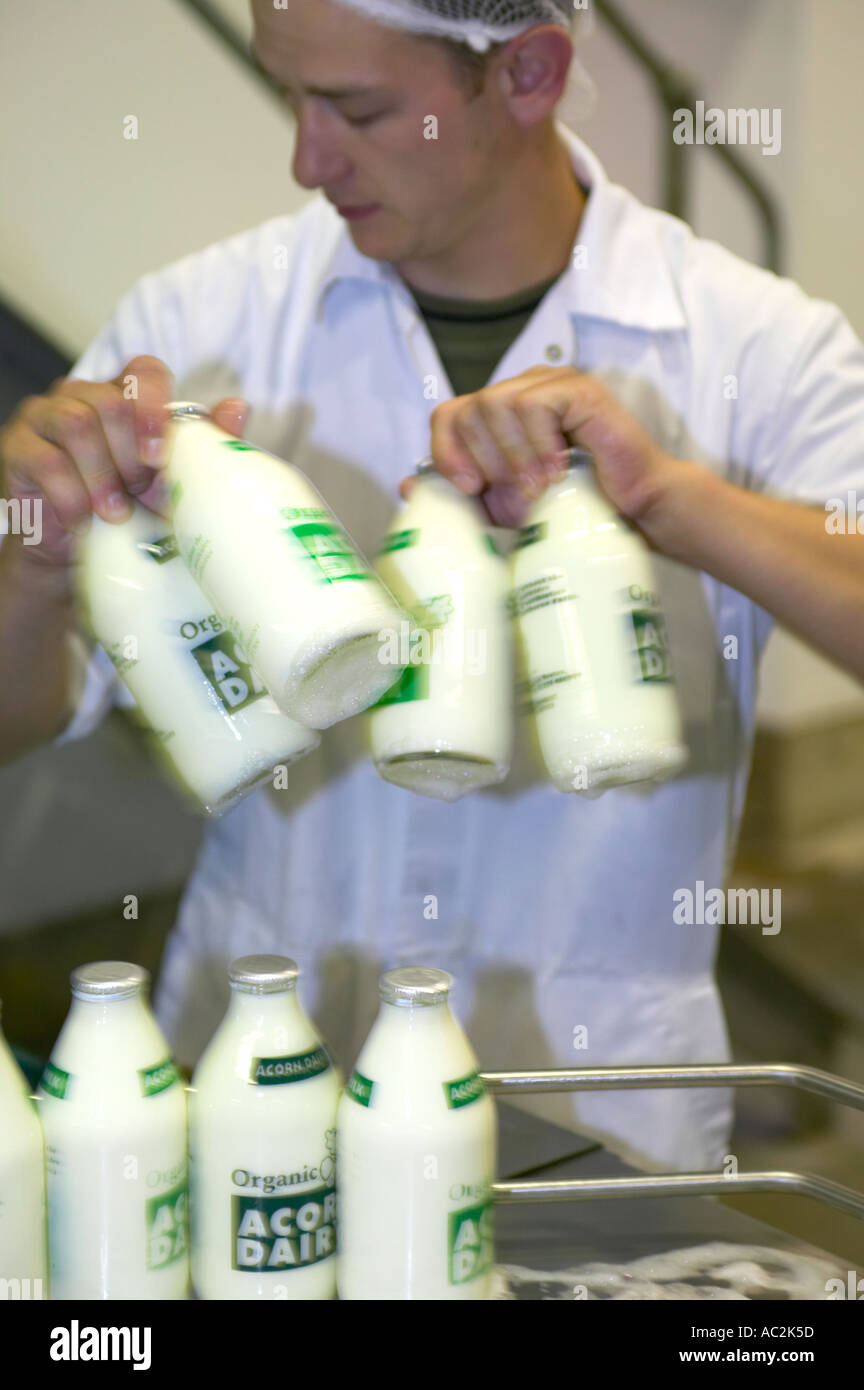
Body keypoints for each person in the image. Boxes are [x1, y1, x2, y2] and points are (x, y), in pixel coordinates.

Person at [2, 0, 863, 1172]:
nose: (305, 157)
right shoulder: (197, 327)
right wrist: (33, 563)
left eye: (356, 108)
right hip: (256, 1078)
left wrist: (671, 501)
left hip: (595, 1096)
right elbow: (17, 722)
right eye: (291, 94)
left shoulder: (754, 346)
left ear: (529, 73)